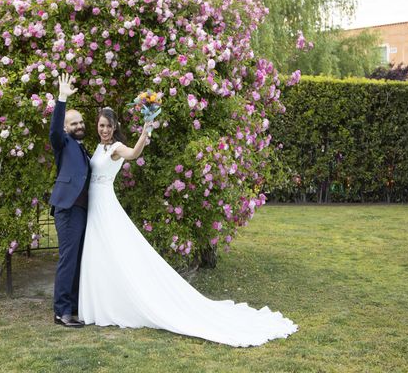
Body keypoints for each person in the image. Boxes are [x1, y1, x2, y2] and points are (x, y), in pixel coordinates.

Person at [77, 104, 299, 347]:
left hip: (105, 204)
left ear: (115, 127)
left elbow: (134, 154)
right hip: (95, 204)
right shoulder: (99, 147)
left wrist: (145, 132)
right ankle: (102, 301)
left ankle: (116, 303)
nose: (105, 130)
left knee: (115, 250)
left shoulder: (117, 148)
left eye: (108, 126)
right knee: (101, 252)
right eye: (101, 126)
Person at [48, 73, 90, 328]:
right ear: (66, 128)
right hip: (68, 208)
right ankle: (61, 312)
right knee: (68, 258)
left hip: (82, 211)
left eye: (81, 122)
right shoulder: (62, 142)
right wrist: (62, 98)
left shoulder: (80, 148)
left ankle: (72, 307)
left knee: (77, 258)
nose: (79, 126)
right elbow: (54, 129)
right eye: (74, 123)